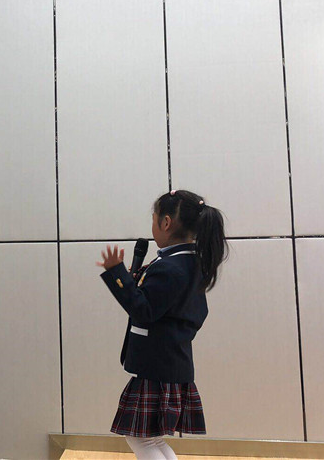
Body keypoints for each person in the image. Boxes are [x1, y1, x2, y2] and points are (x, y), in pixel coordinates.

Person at [96, 189, 228, 460]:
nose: (153, 226)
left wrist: (117, 275)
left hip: (156, 365)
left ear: (166, 222)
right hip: (170, 361)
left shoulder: (170, 267)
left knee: (141, 439)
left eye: (154, 219)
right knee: (151, 438)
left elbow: (144, 310)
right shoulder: (190, 262)